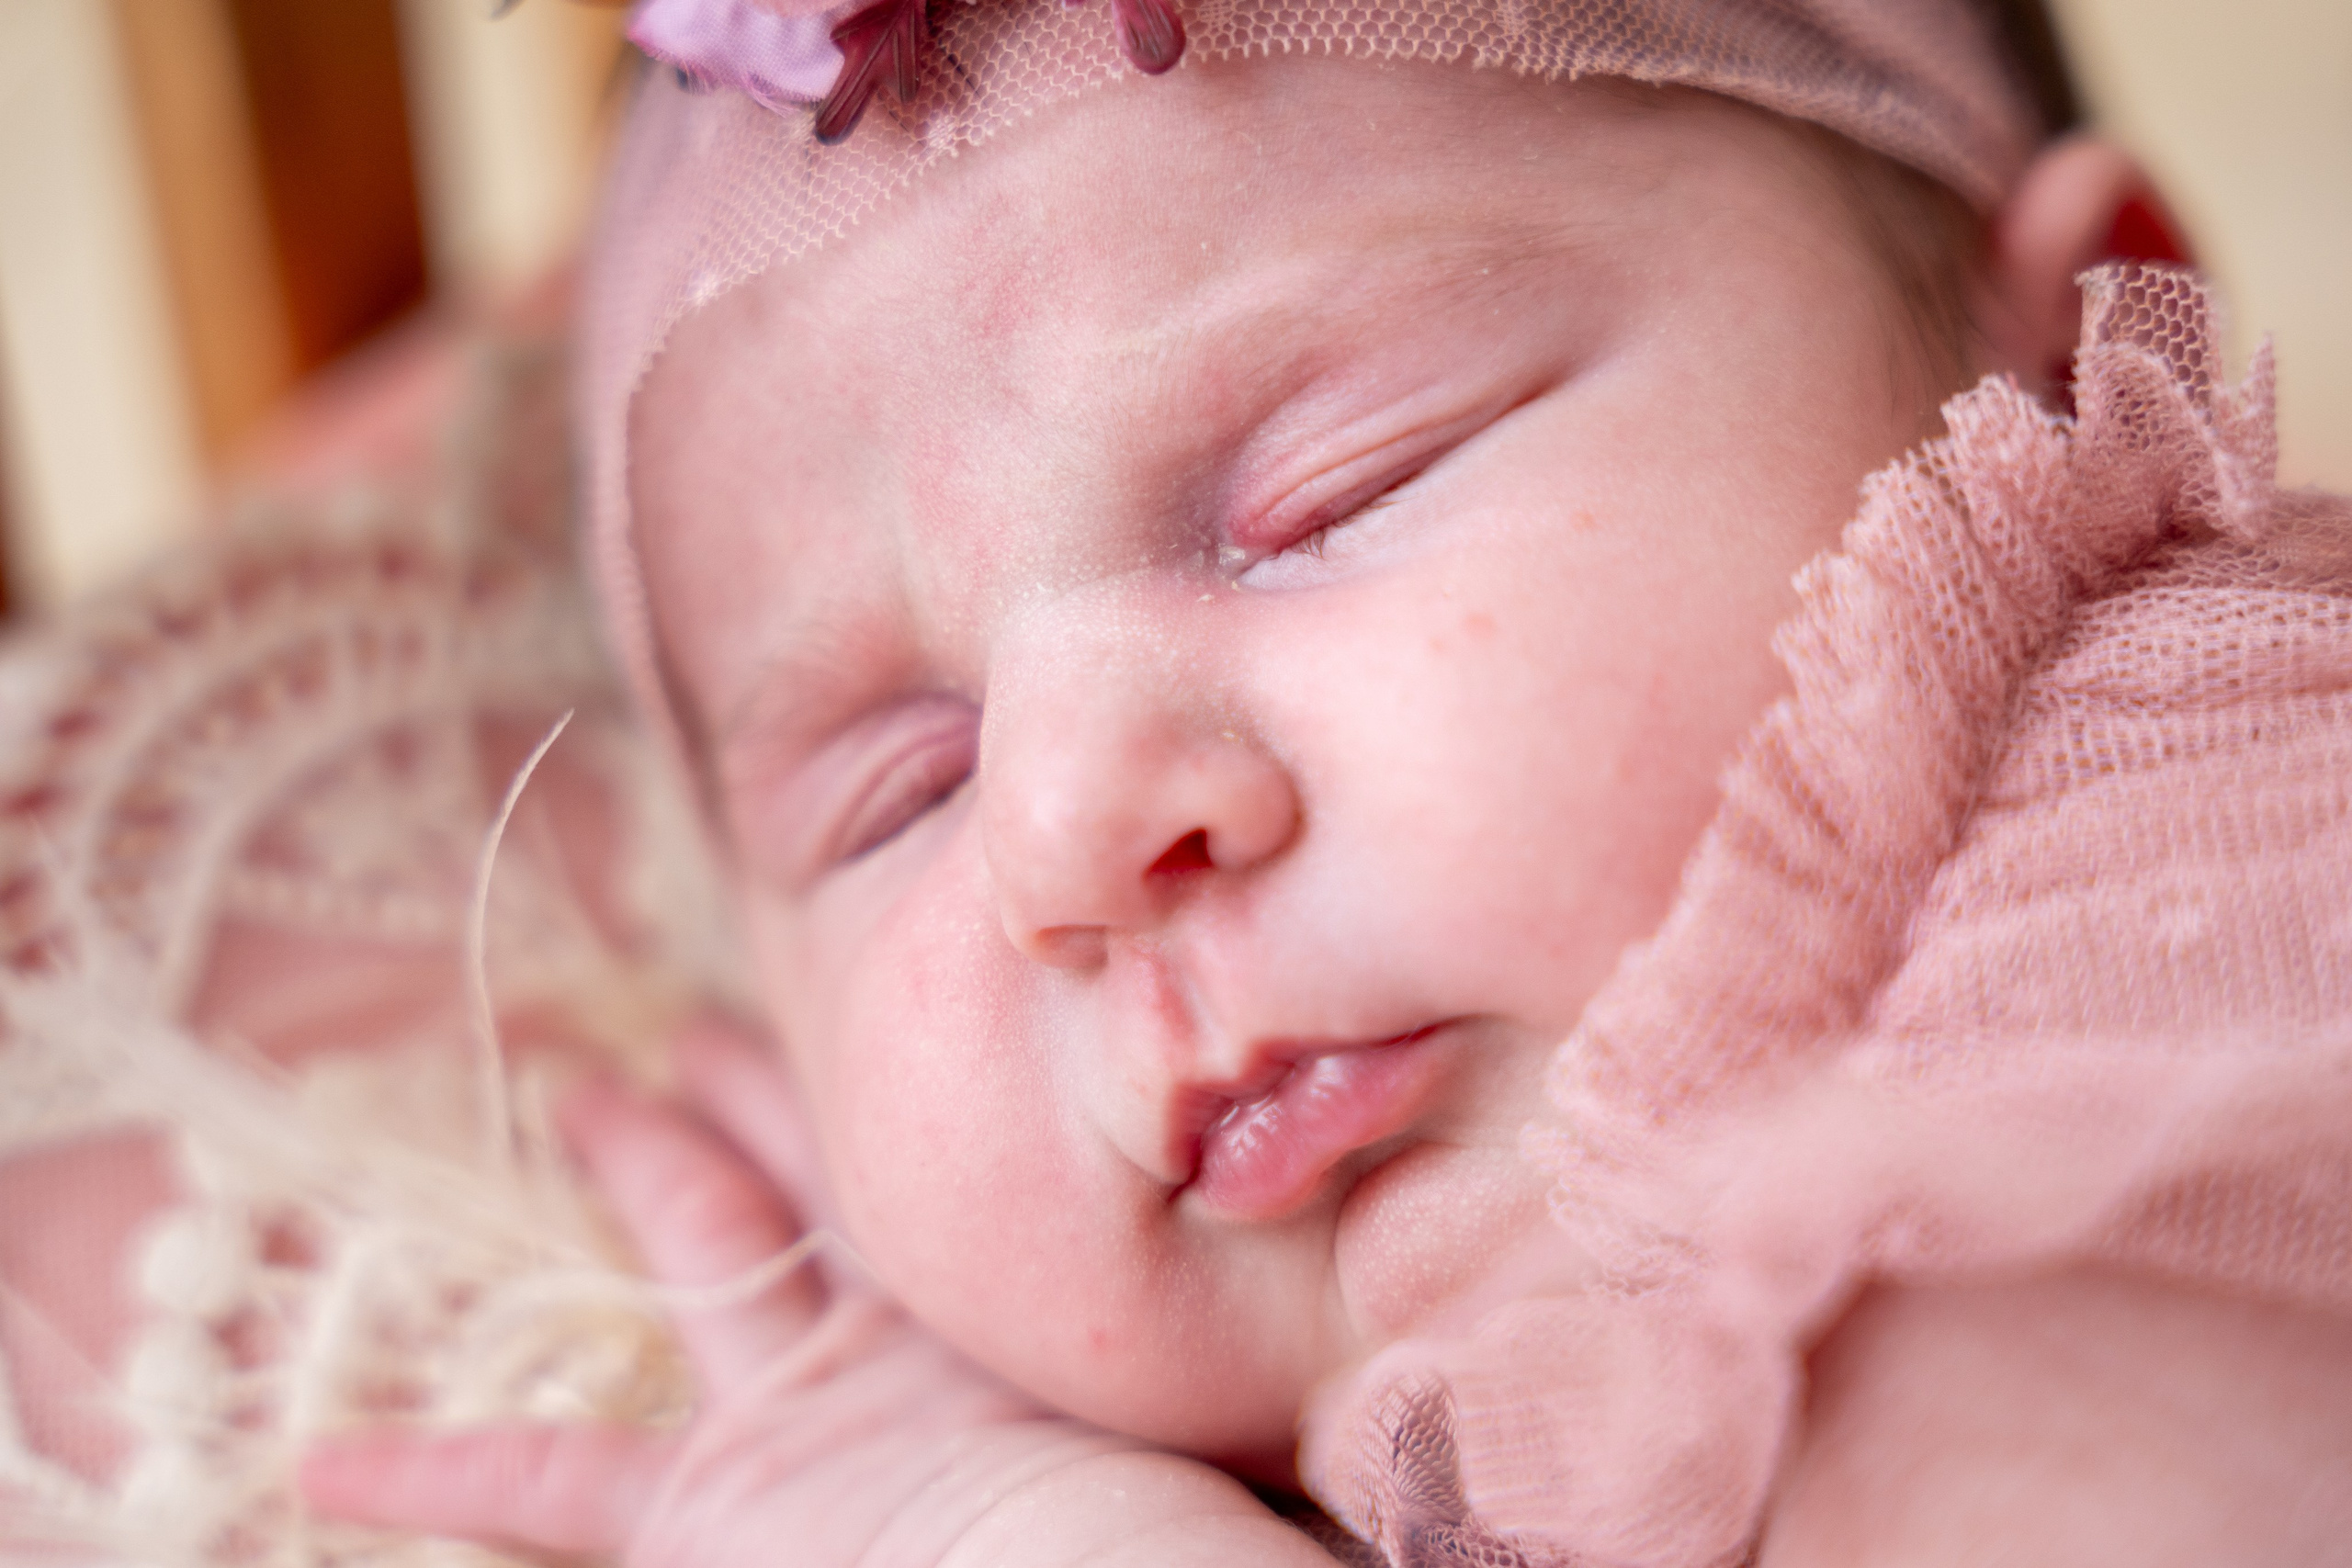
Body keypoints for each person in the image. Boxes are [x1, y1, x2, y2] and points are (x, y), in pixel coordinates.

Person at [5, 2, 2351, 1565]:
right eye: (892, 788)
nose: (1063, 833)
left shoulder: (2179, 926)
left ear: (2061, 365)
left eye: (1326, 488)